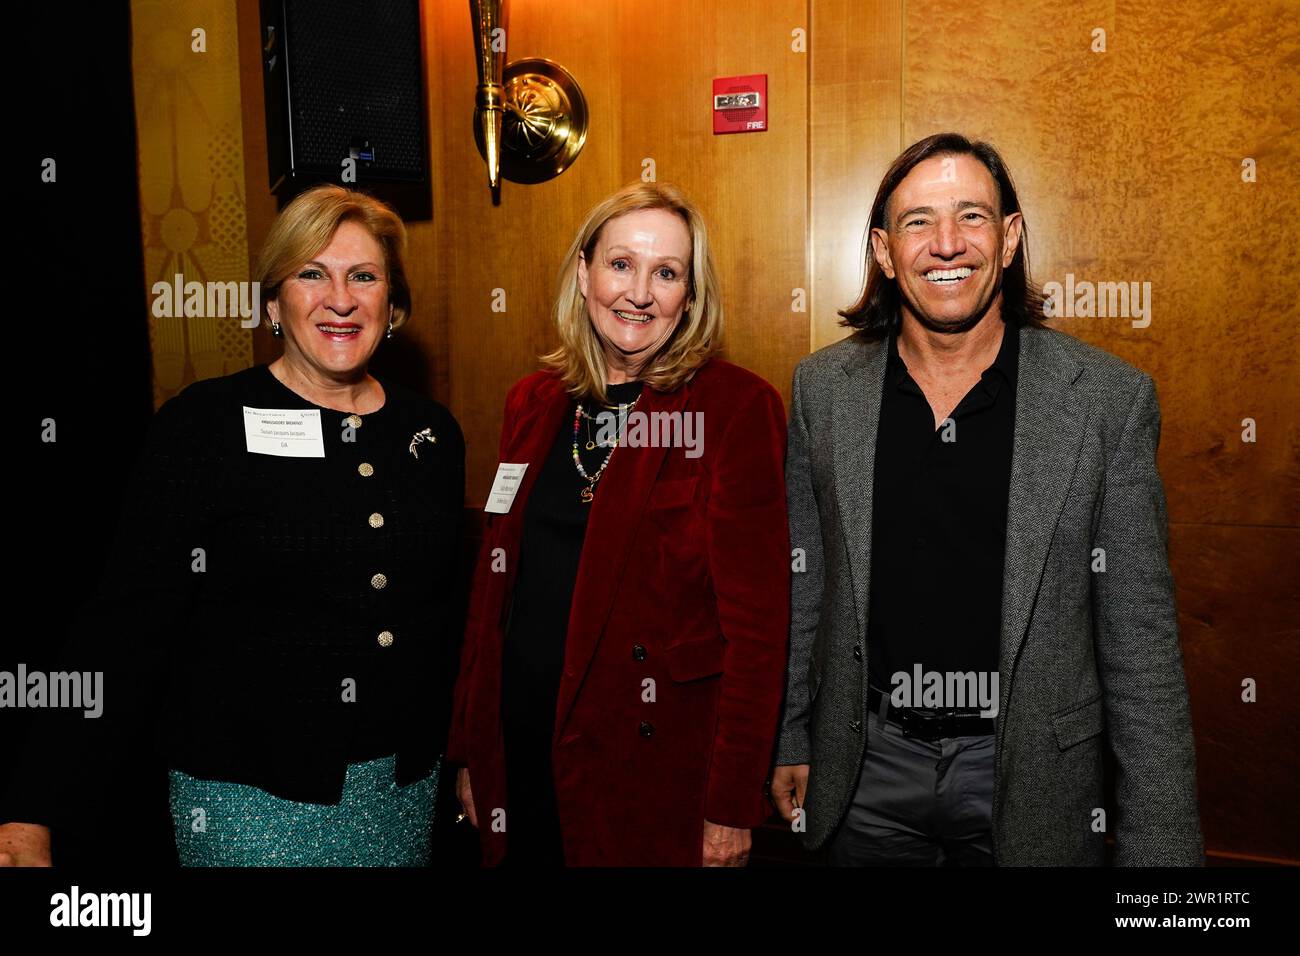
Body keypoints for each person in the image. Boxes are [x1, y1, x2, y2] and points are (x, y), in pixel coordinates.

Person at [0, 184, 464, 866]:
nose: (340, 298)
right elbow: (124, 625)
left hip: (401, 795)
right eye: (312, 273)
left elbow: (454, 620)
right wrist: (34, 807)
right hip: (247, 800)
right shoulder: (204, 427)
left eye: (363, 276)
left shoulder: (431, 433)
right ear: (273, 303)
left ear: (392, 305)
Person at [771, 133, 1203, 865]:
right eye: (918, 222)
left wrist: (1163, 862)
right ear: (882, 251)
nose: (946, 244)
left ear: (1009, 239)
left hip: (1037, 779)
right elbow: (804, 585)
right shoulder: (822, 391)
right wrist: (790, 731)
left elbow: (1142, 650)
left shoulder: (1107, 402)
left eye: (971, 217)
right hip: (865, 771)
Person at [448, 182, 790, 867]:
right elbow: (492, 601)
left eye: (666, 273)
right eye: (620, 264)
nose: (639, 292)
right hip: (524, 745)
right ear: (583, 272)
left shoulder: (734, 407)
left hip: (655, 766)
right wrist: (472, 747)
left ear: (689, 297)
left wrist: (729, 804)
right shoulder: (534, 401)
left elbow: (758, 631)